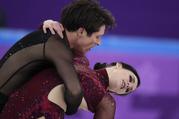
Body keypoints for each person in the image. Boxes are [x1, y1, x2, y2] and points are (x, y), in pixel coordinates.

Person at [0, 0, 115, 115]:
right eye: (97, 36)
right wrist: (70, 109)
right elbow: (74, 93)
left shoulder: (55, 38)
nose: (99, 42)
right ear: (81, 31)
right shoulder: (58, 47)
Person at [0, 51, 140, 119]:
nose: (127, 85)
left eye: (128, 90)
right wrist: (49, 24)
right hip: (16, 100)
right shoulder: (81, 59)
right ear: (119, 66)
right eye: (131, 79)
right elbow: (45, 46)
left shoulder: (106, 102)